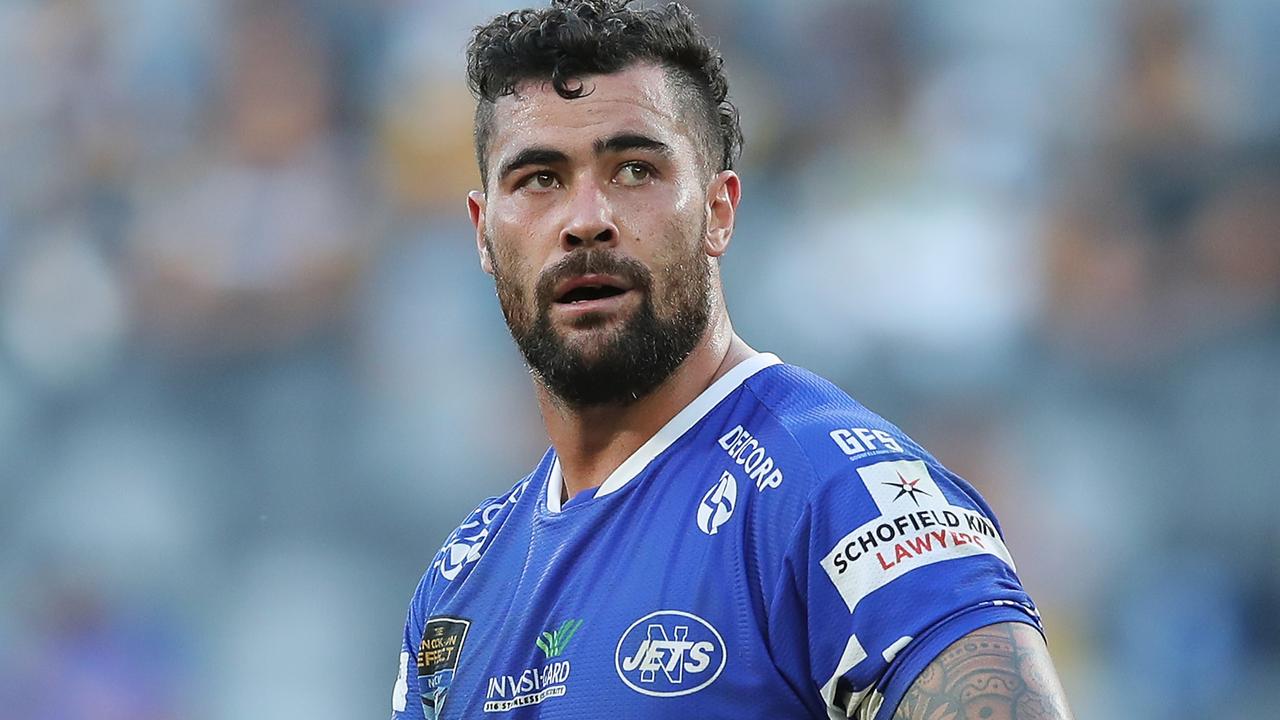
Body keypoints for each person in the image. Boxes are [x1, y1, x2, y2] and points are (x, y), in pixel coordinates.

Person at [391, 1, 1076, 718]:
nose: (585, 218)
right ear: (481, 232)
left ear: (719, 212)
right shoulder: (457, 587)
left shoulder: (835, 494)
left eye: (633, 169)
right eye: (538, 179)